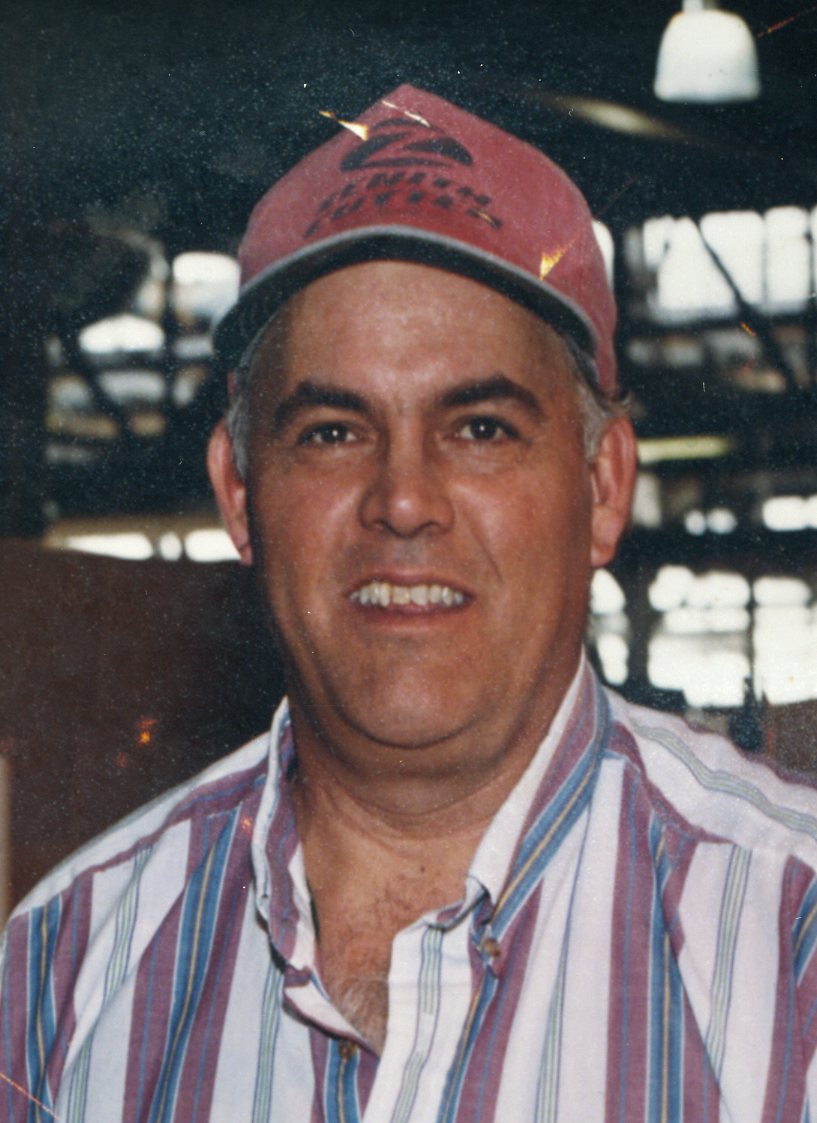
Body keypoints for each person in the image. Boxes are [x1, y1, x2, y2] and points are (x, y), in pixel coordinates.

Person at [2, 84, 817, 1123]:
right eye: (331, 432)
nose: (401, 500)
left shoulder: (789, 941)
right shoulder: (61, 977)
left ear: (603, 485)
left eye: (480, 428)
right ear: (240, 492)